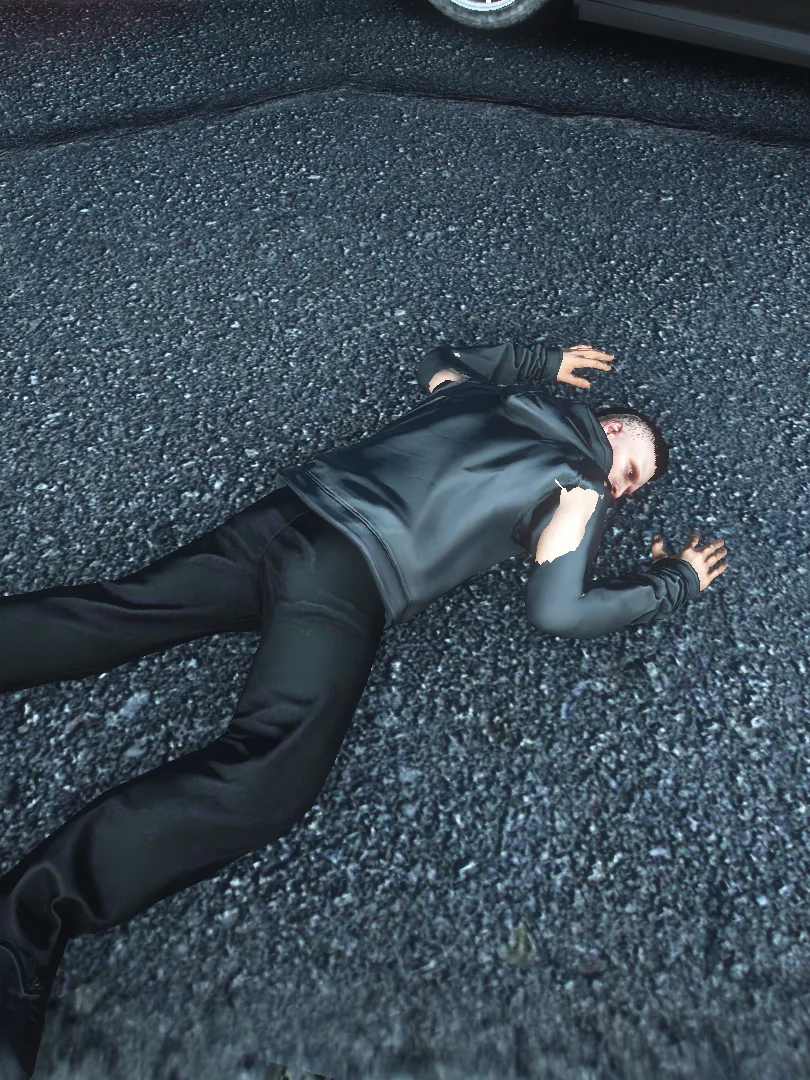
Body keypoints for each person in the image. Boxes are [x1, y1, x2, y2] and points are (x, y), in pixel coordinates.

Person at [0, 339, 728, 1079]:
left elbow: (442, 359)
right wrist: (671, 583)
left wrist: (536, 362)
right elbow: (558, 610)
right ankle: (23, 925)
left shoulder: (480, 396)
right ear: (610, 434)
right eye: (630, 473)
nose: (622, 492)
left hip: (287, 516)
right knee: (267, 777)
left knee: (118, 613)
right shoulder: (579, 486)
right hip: (346, 576)